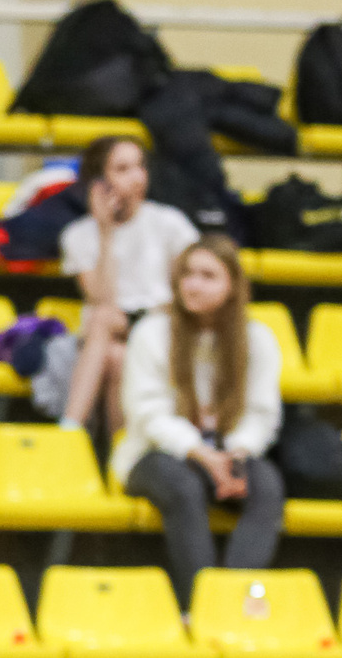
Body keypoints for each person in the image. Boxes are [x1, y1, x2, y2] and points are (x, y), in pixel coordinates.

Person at [114, 236, 284, 608]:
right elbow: (148, 415)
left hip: (224, 451)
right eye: (188, 274)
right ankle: (202, 605)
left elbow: (261, 414)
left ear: (234, 286)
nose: (194, 284)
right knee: (183, 487)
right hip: (154, 454)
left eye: (209, 276)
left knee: (267, 484)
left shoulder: (258, 340)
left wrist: (237, 454)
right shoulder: (152, 333)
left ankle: (235, 600)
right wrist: (202, 455)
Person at [57, 136, 199, 434]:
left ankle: (69, 428)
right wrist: (106, 233)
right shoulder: (78, 235)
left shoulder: (170, 223)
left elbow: (186, 293)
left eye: (140, 167)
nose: (136, 178)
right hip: (107, 331)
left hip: (159, 323)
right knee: (116, 354)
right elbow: (100, 297)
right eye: (122, 169)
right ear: (98, 183)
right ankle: (115, 453)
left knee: (106, 323)